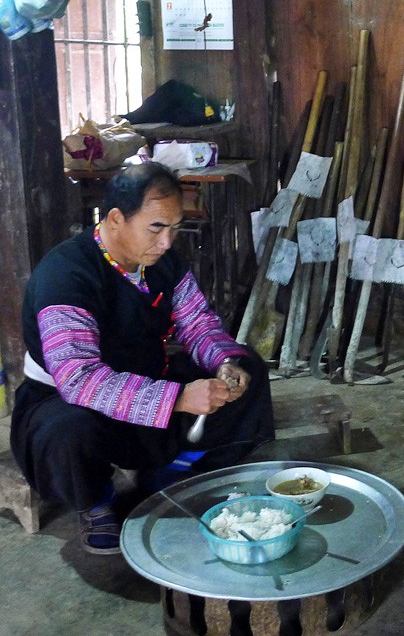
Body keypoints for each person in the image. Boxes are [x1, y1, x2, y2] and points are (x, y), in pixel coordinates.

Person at [11, 162, 275, 555]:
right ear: (116, 219)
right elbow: (80, 380)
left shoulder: (163, 263)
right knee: (69, 432)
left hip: (147, 379)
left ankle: (169, 473)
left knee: (247, 367)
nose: (167, 242)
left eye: (175, 228)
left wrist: (222, 362)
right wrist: (179, 399)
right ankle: (98, 502)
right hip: (68, 401)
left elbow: (197, 322)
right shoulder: (67, 275)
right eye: (156, 228)